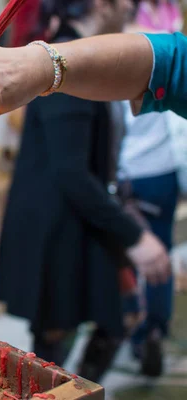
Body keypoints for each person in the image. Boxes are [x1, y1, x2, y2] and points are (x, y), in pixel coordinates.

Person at [0, 0, 145, 382]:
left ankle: (75, 386)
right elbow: (70, 172)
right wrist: (134, 235)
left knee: (114, 313)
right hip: (55, 224)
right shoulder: (61, 60)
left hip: (73, 215)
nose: (130, 5)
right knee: (54, 334)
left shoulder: (77, 55)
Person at [117, 0, 183, 377]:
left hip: (134, 168)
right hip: (164, 166)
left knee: (133, 255)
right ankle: (154, 329)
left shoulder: (120, 47)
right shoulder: (167, 31)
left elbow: (114, 123)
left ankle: (140, 331)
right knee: (161, 251)